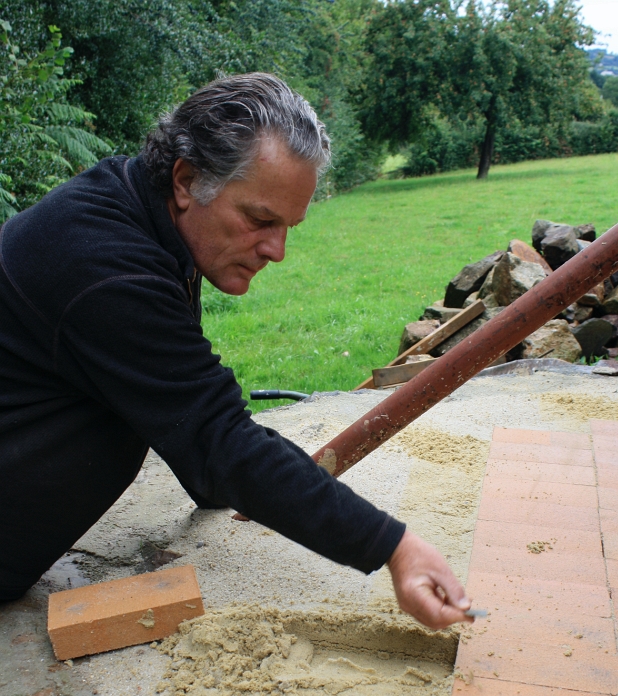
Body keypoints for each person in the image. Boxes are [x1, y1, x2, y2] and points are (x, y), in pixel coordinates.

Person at [0, 72, 472, 629]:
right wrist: (395, 548)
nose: (276, 250)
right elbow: (216, 437)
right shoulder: (105, 270)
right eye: (260, 220)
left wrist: (218, 478)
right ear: (186, 179)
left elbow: (180, 407)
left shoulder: (143, 211)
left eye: (288, 226)